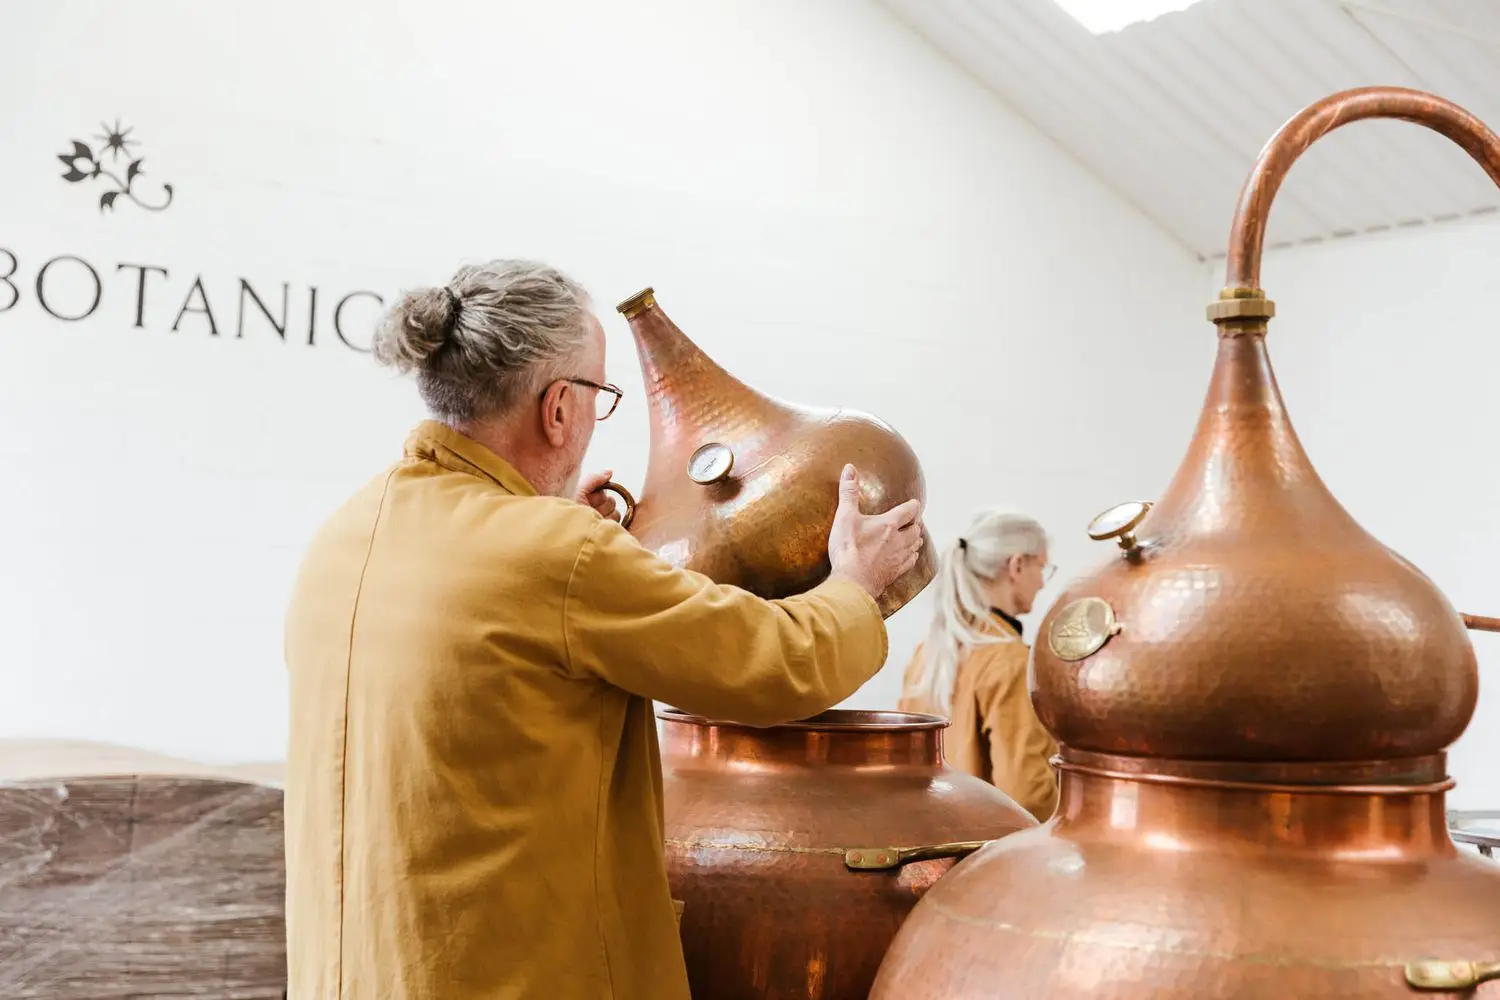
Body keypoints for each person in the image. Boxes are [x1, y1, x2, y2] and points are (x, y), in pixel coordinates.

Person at [281, 258, 923, 1000]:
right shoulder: (554, 555)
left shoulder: (346, 533)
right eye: (601, 396)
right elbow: (774, 665)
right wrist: (856, 583)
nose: (594, 418)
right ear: (558, 407)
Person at [897, 507, 1058, 822]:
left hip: (931, 842)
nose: (1042, 583)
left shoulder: (926, 655)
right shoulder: (1011, 661)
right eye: (1043, 567)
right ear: (1017, 566)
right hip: (989, 856)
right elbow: (1026, 796)